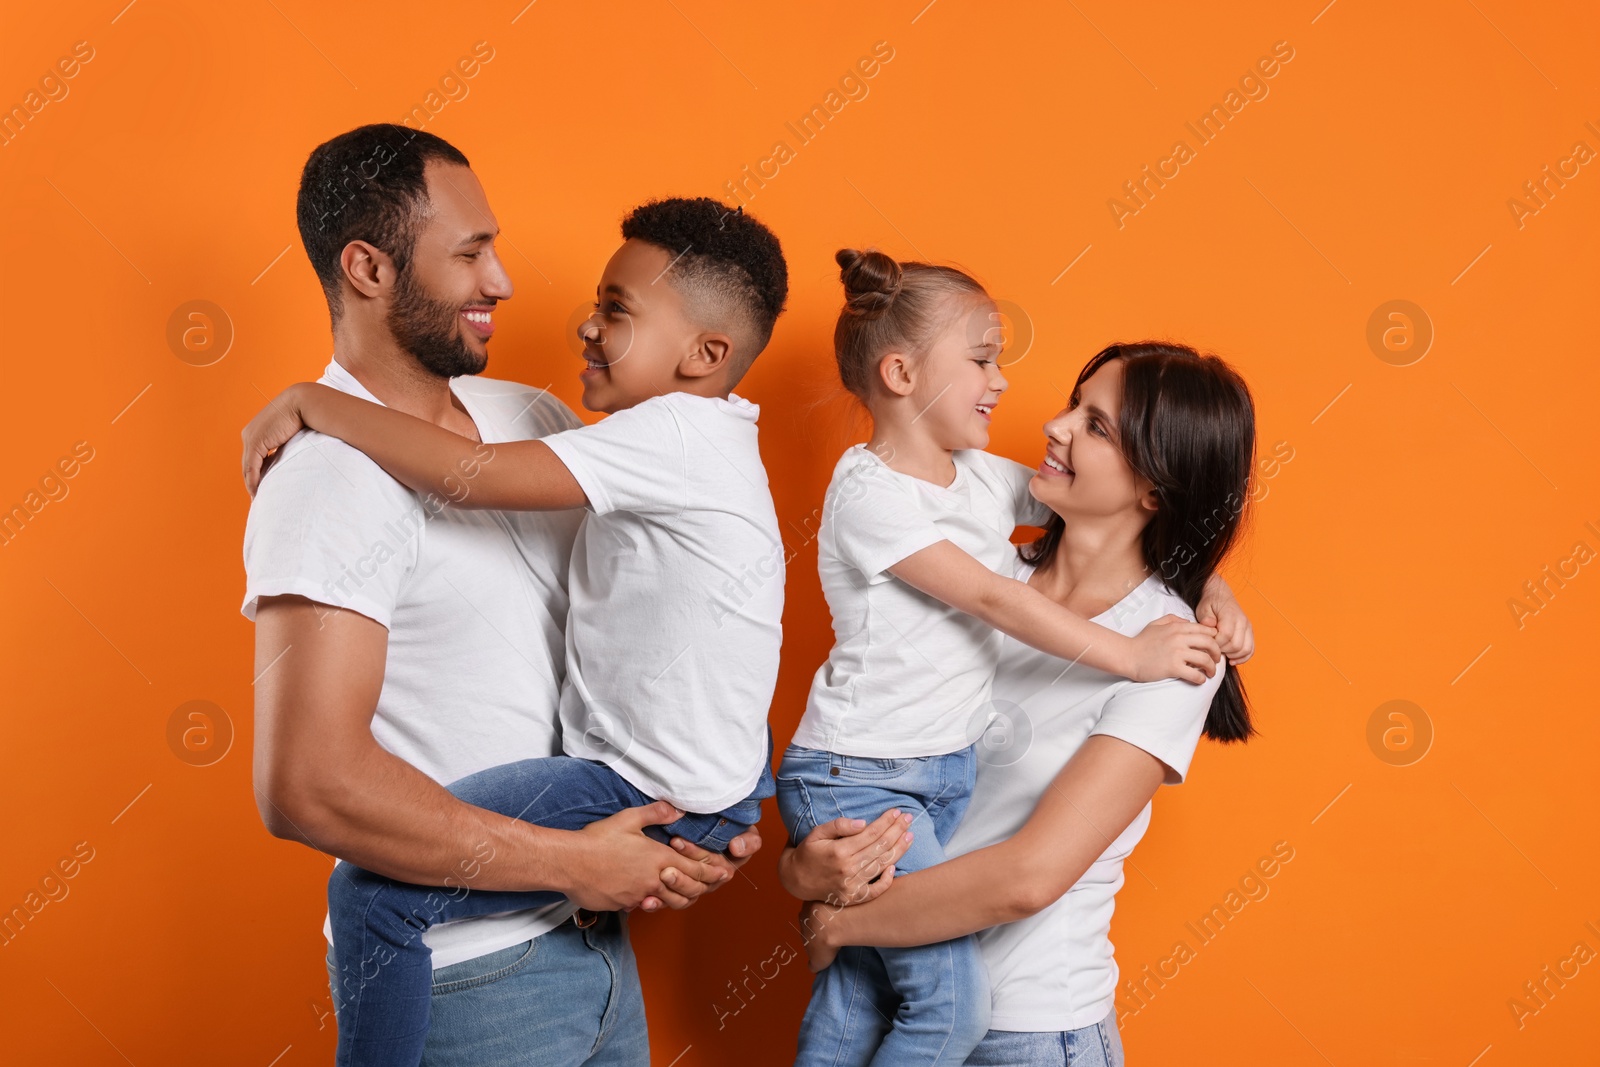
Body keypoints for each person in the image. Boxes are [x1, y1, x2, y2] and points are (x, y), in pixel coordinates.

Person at [243, 125, 758, 1067]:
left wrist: (688, 830)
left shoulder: (539, 422)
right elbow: (305, 784)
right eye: (471, 252)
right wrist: (581, 864)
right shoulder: (326, 482)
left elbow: (671, 631)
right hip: (466, 983)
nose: (504, 281)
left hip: (596, 949)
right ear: (368, 267)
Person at [776, 252, 1240, 1067]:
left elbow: (1028, 875)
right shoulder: (981, 575)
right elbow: (884, 787)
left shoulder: (1170, 651)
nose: (1053, 425)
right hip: (894, 996)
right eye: (1074, 406)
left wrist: (835, 921)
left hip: (1029, 1031)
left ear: (1155, 489)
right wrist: (804, 873)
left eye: (1094, 425)